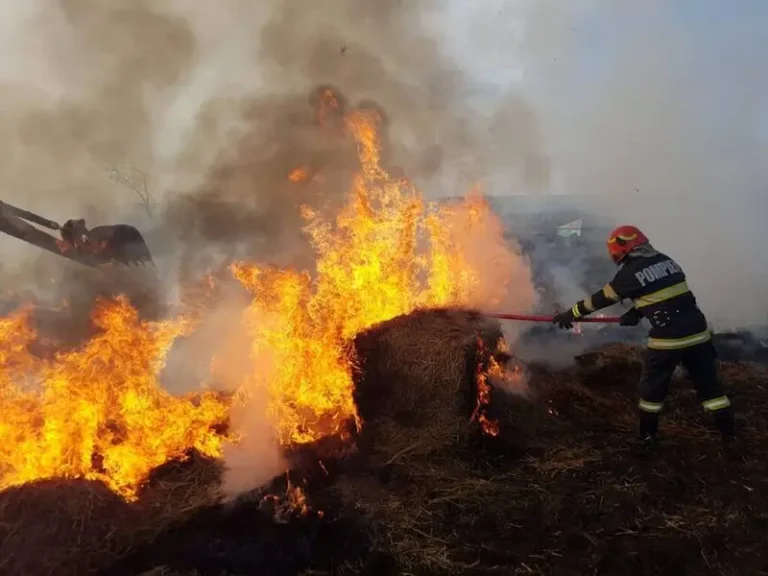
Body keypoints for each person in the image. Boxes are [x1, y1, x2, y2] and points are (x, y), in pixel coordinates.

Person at [552, 225, 735, 447]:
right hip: (698, 333)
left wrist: (570, 314)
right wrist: (638, 311)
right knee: (710, 387)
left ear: (621, 248)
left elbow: (600, 300)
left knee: (652, 390)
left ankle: (647, 437)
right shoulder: (667, 261)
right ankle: (729, 435)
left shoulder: (630, 273)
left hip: (668, 338)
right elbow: (668, 292)